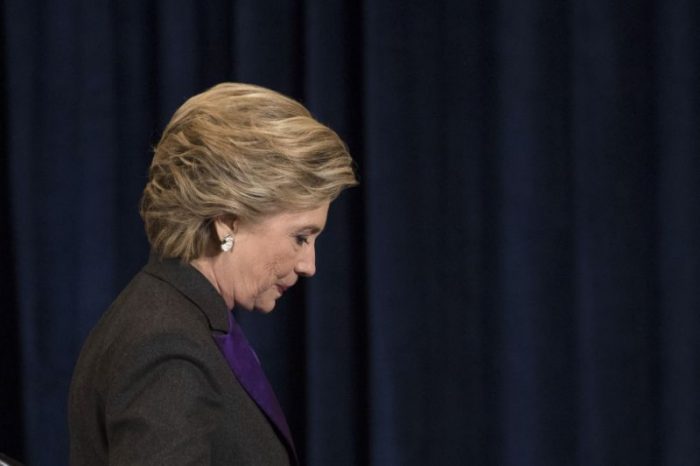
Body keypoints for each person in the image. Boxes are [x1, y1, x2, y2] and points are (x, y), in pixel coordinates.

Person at [68, 83, 358, 465]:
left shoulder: (178, 320)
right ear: (227, 223)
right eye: (301, 237)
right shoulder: (166, 345)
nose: (309, 265)